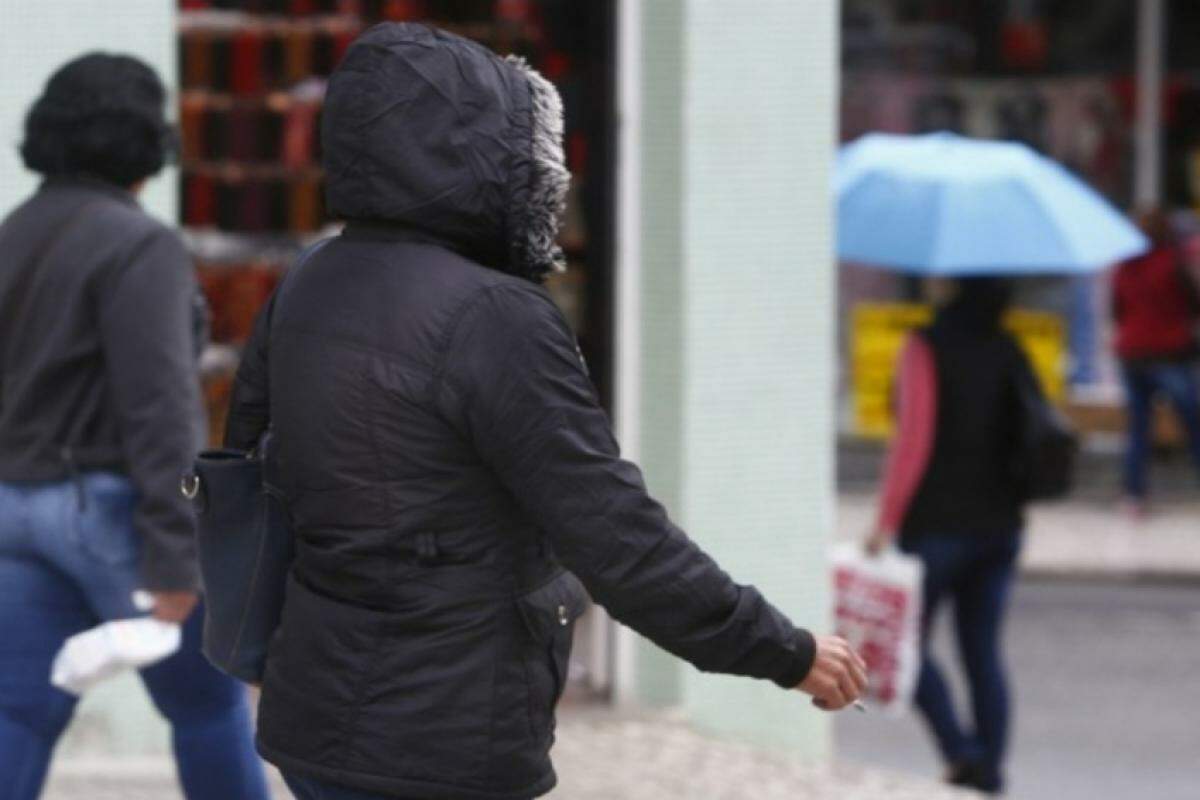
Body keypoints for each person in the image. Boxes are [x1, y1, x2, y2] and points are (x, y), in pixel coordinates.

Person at [223, 23, 866, 800]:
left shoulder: (310, 281)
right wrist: (786, 651)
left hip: (316, 720)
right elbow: (619, 539)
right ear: (479, 154)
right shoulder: (495, 315)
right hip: (441, 739)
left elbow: (252, 466)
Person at [0, 54, 269, 799]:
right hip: (110, 512)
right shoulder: (138, 244)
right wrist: (178, 559)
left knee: (16, 716)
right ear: (146, 141)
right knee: (209, 709)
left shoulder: (12, 235)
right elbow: (159, 407)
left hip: (16, 508)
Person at [868, 277, 1032, 795]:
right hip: (1001, 525)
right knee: (982, 651)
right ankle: (988, 771)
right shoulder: (1010, 347)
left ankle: (962, 753)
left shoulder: (926, 345)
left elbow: (912, 442)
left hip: (937, 526)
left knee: (902, 644)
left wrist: (885, 521)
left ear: (954, 284)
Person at [1111, 209, 1200, 515]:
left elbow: (1117, 309)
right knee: (1193, 421)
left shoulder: (1124, 266)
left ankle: (1134, 495)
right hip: (1168, 352)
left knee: (1138, 429)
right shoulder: (1171, 262)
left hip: (1132, 353)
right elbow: (1192, 304)